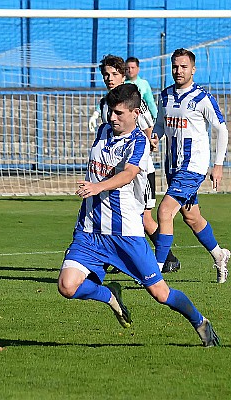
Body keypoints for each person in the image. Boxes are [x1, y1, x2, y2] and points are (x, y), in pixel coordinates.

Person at [58, 83, 219, 347]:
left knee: (161, 294)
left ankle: (199, 321)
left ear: (135, 113)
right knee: (67, 286)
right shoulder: (102, 131)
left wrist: (97, 186)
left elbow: (129, 174)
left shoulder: (138, 142)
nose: (112, 117)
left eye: (119, 113)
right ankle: (109, 295)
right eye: (111, 111)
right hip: (89, 232)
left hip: (126, 236)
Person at [89, 54, 180, 273]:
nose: (109, 78)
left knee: (143, 217)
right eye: (105, 75)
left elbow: (149, 131)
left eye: (114, 74)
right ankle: (120, 257)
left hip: (139, 171)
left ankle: (167, 257)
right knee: (120, 214)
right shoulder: (106, 103)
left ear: (123, 74)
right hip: (115, 171)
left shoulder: (135, 101)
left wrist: (150, 143)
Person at [153, 48, 230, 284]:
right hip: (173, 167)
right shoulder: (165, 96)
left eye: (183, 66)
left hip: (193, 166)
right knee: (192, 217)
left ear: (193, 69)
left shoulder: (202, 98)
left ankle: (154, 271)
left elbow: (221, 129)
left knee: (164, 211)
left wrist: (218, 165)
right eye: (175, 66)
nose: (178, 71)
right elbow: (159, 125)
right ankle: (220, 255)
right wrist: (155, 137)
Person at [125, 56, 158, 120]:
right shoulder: (122, 83)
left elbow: (150, 101)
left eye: (132, 68)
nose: (130, 70)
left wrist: (156, 116)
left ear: (138, 69)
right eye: (127, 68)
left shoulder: (144, 83)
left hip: (140, 118)